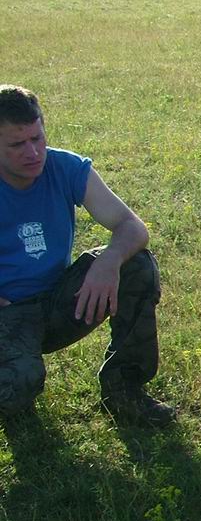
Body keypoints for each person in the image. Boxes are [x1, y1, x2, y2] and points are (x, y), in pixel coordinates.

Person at [0, 86, 174, 426]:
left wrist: (109, 261)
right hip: (8, 311)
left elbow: (132, 226)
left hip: (57, 300)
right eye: (17, 144)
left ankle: (124, 389)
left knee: (136, 265)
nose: (33, 152)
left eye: (37, 138)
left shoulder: (65, 167)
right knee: (18, 388)